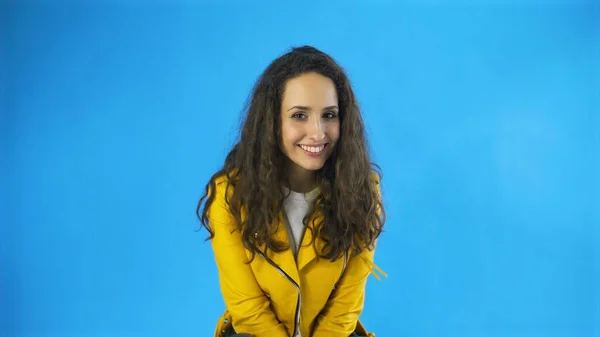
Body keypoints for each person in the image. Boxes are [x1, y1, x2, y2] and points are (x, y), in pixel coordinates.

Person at [196, 45, 386, 337]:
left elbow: (343, 312)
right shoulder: (229, 196)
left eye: (329, 115)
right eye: (300, 116)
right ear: (271, 122)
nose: (318, 133)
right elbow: (248, 310)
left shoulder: (363, 193)